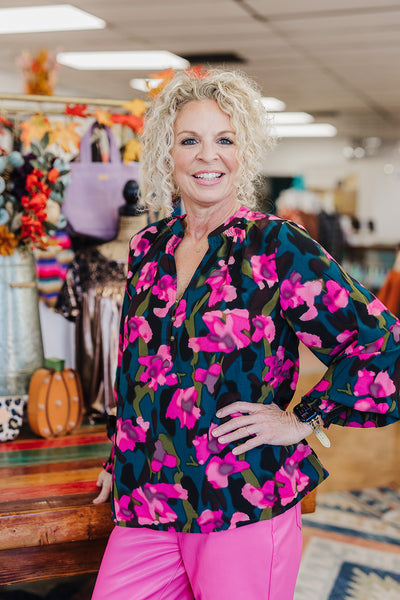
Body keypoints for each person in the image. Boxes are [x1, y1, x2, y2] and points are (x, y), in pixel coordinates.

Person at [91, 69, 400, 600]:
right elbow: (138, 368)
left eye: (225, 140)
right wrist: (120, 456)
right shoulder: (147, 248)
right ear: (168, 152)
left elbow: (381, 343)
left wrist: (304, 418)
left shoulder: (277, 245)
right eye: (190, 140)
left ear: (245, 151)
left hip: (243, 497)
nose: (208, 157)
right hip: (150, 498)